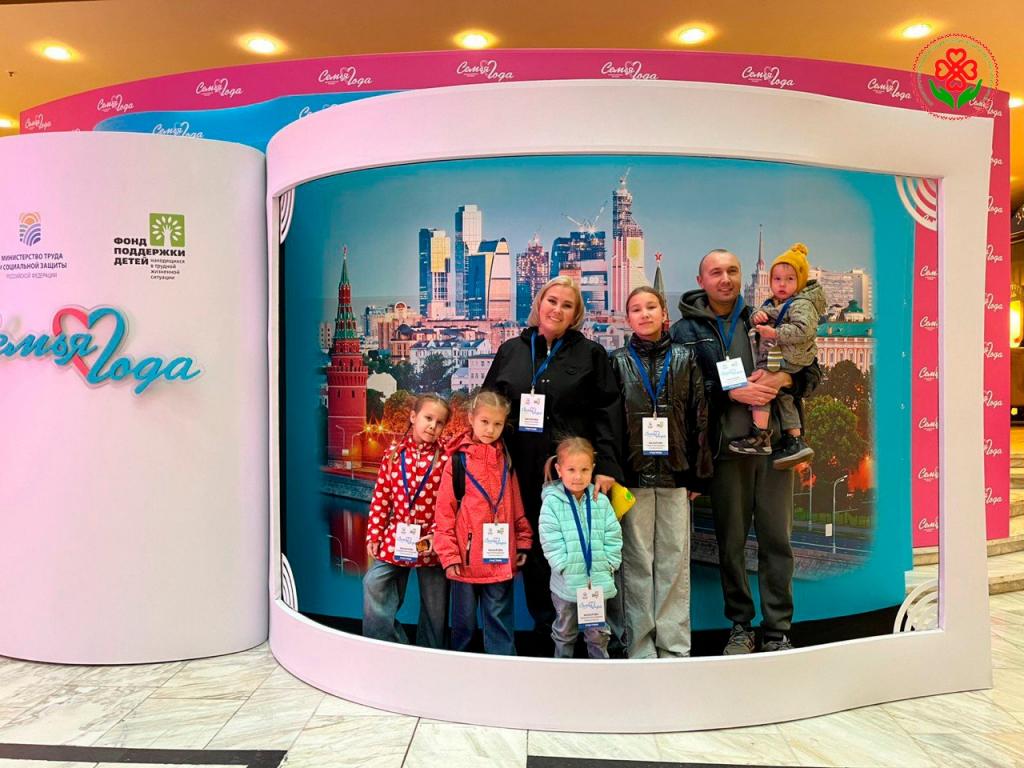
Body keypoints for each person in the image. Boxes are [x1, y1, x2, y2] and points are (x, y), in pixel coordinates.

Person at [670, 248, 820, 654]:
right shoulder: (685, 331)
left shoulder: (767, 317)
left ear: (742, 277)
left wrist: (784, 381)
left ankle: (777, 630)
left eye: (732, 271)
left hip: (774, 452)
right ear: (701, 281)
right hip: (724, 453)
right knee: (730, 545)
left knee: (777, 542)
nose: (726, 279)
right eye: (716, 272)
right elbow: (680, 392)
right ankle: (740, 627)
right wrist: (729, 392)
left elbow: (811, 373)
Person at [482, 276, 624, 650]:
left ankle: (587, 640)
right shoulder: (511, 350)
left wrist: (607, 467)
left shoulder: (591, 354)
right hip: (520, 470)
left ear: (576, 315)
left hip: (571, 476)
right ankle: (548, 634)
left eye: (567, 305)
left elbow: (607, 413)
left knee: (576, 551)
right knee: (533, 550)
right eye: (552, 300)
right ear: (539, 303)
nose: (557, 309)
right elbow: (488, 406)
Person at [610, 286, 713, 659]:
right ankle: (639, 647)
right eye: (636, 309)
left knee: (674, 562)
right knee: (636, 563)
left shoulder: (686, 358)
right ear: (628, 319)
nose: (644, 314)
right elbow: (609, 423)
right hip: (632, 477)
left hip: (676, 474)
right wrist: (613, 472)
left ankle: (673, 647)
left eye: (651, 306)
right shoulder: (616, 361)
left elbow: (700, 415)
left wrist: (698, 475)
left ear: (664, 313)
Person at [433, 390, 532, 655]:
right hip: (464, 560)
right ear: (471, 419)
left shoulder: (506, 460)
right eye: (485, 422)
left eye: (497, 424)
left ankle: (503, 668)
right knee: (463, 625)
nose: (490, 430)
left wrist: (522, 542)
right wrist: (449, 555)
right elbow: (444, 513)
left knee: (500, 622)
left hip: (499, 557)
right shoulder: (457, 461)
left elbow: (516, 506)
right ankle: (462, 670)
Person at [363, 393, 451, 648]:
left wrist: (438, 534)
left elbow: (449, 504)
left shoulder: (446, 459)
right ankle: (387, 646)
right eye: (428, 418)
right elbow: (381, 498)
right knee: (373, 583)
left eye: (440, 422)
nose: (433, 426)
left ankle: (431, 654)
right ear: (413, 417)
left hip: (432, 541)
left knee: (435, 608)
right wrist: (374, 534)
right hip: (397, 536)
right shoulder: (392, 455)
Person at [729, 243, 823, 468]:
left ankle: (760, 435)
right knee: (782, 396)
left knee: (762, 387)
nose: (782, 284)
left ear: (800, 281)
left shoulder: (801, 304)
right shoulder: (776, 302)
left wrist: (775, 334)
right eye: (777, 279)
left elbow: (803, 331)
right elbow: (767, 314)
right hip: (781, 358)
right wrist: (758, 316)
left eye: (789, 279)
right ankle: (795, 439)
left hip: (788, 358)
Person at [538, 437, 622, 659]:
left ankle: (600, 669)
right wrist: (563, 566)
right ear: (559, 470)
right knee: (565, 631)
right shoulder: (552, 503)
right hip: (566, 584)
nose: (578, 476)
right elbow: (549, 539)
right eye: (571, 470)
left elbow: (613, 535)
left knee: (598, 633)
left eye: (584, 470)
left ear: (593, 469)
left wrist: (610, 563)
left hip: (597, 582)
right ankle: (562, 667)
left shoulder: (600, 501)